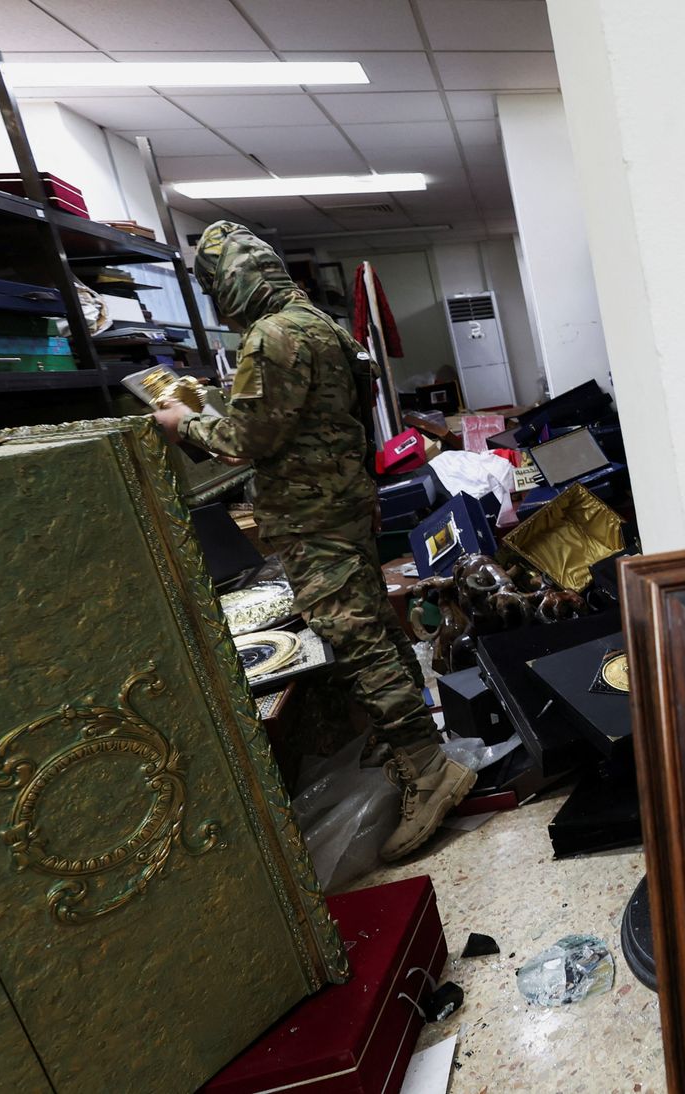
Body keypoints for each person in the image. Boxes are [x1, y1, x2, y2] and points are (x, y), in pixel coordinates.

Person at [153, 220, 473, 860]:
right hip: (345, 504)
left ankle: (427, 769)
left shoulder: (273, 337)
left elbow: (248, 442)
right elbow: (338, 421)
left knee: (355, 638)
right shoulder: (327, 327)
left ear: (233, 283)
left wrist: (184, 421)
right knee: (374, 629)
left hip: (310, 517)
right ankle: (408, 740)